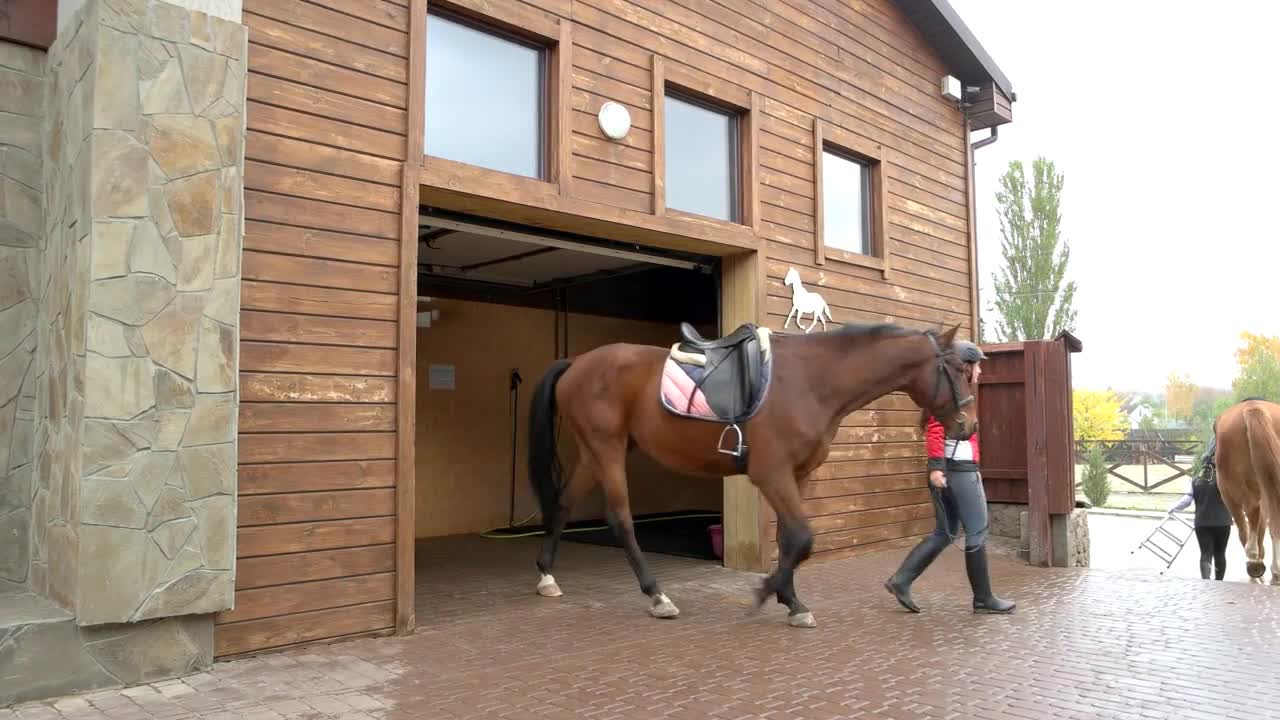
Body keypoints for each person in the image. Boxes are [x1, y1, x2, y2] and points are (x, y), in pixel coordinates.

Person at [883, 340, 1015, 614]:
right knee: (977, 531)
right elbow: (935, 431)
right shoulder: (949, 399)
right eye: (977, 365)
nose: (980, 371)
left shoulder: (955, 396)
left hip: (951, 470)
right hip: (958, 472)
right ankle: (983, 599)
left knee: (945, 532)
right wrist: (936, 468)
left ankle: (901, 580)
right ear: (966, 367)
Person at [1166, 427, 1232, 580]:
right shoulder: (1225, 481)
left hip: (1202, 523)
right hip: (1223, 522)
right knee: (1220, 553)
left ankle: (1206, 581)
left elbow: (1186, 501)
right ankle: (1219, 581)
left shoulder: (1194, 480)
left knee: (1205, 553)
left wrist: (1172, 509)